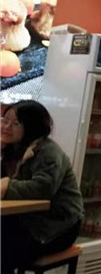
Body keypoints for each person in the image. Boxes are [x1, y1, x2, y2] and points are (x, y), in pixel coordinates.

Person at [1, 100, 84, 272]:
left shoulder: (48, 151)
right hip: (23, 220)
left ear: (31, 127)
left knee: (4, 247)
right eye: (5, 120)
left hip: (56, 226)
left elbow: (42, 189)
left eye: (15, 123)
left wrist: (6, 186)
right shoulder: (10, 149)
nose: (6, 127)